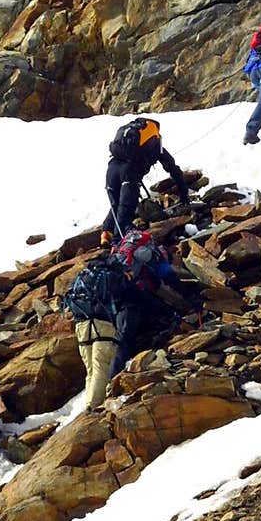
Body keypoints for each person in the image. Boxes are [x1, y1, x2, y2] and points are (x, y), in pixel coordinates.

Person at [109, 229, 202, 376]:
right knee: (126, 338)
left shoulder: (124, 256)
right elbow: (167, 280)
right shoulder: (150, 259)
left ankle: (119, 369)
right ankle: (115, 377)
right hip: (129, 301)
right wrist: (187, 301)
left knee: (128, 334)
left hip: (114, 303)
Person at [101, 117, 189, 248]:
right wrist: (184, 195)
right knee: (126, 209)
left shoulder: (127, 145)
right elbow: (174, 170)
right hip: (129, 174)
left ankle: (105, 234)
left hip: (111, 169)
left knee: (116, 204)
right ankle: (117, 244)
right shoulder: (156, 147)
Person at [63, 255, 130, 408]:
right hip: (102, 325)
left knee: (91, 370)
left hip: (81, 326)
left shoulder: (83, 277)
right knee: (101, 366)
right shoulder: (110, 276)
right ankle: (93, 407)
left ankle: (89, 403)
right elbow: (127, 296)